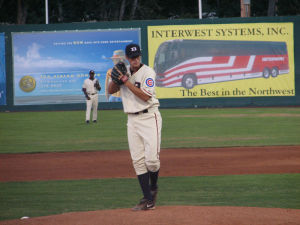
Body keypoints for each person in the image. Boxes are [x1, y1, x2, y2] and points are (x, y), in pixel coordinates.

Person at [108, 43, 162, 211]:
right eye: (132, 57)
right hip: (131, 119)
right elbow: (110, 90)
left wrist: (126, 81)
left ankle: (153, 187)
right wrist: (117, 78)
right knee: (138, 161)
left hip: (149, 116)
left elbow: (145, 96)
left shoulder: (148, 72)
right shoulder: (122, 69)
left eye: (137, 56)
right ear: (127, 58)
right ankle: (148, 199)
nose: (135, 59)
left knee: (152, 161)